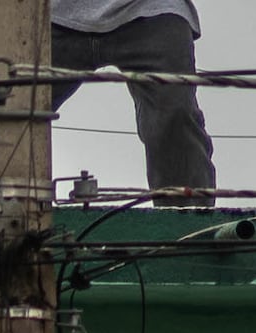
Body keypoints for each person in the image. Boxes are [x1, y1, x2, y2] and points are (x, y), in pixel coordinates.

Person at [49, 0, 216, 204]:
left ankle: (188, 224)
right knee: (11, 108)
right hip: (52, 15)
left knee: (174, 115)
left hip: (154, 9)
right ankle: (9, 209)